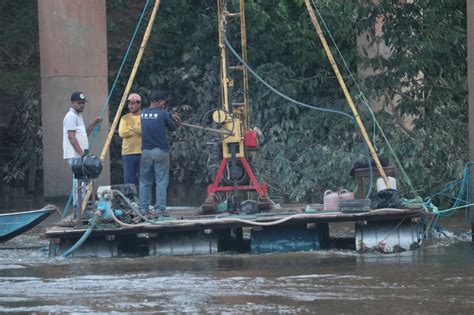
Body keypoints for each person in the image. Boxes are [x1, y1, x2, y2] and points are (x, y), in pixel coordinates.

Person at [139, 91, 181, 215]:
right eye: (163, 101)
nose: (164, 104)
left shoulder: (143, 114)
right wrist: (177, 120)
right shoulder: (163, 114)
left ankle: (143, 208)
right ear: (158, 101)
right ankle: (159, 209)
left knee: (145, 182)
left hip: (145, 152)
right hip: (160, 151)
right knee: (161, 181)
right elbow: (173, 127)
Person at [63, 91, 102, 217]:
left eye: (83, 103)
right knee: (78, 183)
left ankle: (83, 209)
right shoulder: (70, 116)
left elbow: (83, 133)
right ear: (72, 103)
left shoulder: (78, 116)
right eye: (79, 103)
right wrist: (82, 155)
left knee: (84, 182)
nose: (82, 105)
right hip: (75, 155)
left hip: (80, 155)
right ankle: (78, 210)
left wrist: (94, 123)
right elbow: (71, 137)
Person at [118, 93, 142, 187]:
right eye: (129, 104)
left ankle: (143, 201)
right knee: (129, 180)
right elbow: (122, 133)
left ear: (139, 104)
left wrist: (131, 127)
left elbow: (144, 130)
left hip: (142, 152)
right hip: (128, 153)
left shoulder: (144, 116)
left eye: (133, 103)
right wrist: (137, 129)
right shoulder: (124, 118)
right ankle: (130, 200)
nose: (131, 106)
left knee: (143, 179)